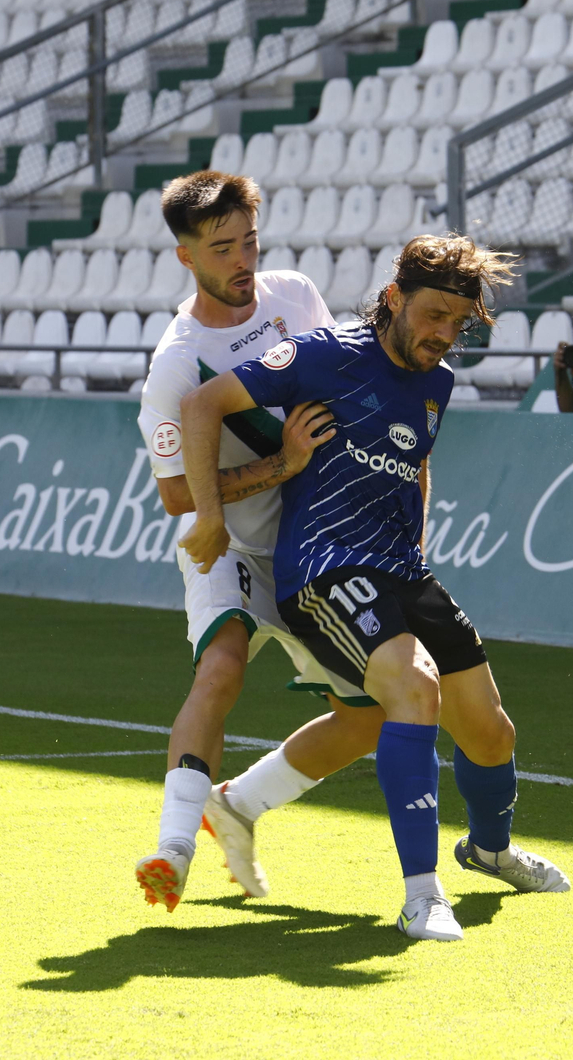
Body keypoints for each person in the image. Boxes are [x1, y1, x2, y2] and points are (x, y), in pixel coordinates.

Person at [178, 234, 571, 944]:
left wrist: (415, 546)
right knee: (414, 690)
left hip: (401, 570)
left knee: (491, 731)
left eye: (458, 323)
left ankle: (490, 850)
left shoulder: (437, 383)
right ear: (394, 300)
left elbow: (415, 463)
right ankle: (422, 896)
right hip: (324, 569)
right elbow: (203, 405)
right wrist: (210, 513)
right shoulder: (324, 354)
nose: (444, 335)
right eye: (433, 315)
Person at [133, 170, 388, 915]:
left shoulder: (295, 295)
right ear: (186, 258)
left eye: (248, 240)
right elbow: (178, 495)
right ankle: (173, 847)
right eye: (222, 248)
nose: (243, 260)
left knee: (372, 716)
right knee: (221, 668)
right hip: (232, 549)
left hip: (315, 546)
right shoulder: (178, 363)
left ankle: (238, 806)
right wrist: (281, 464)